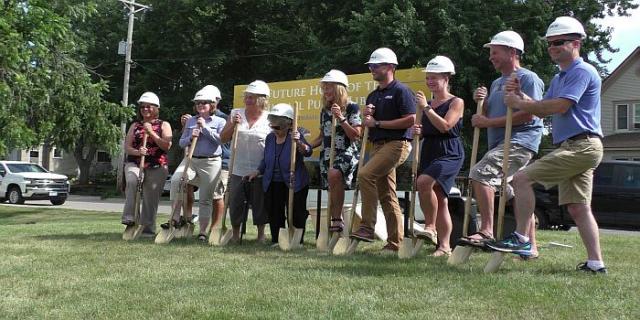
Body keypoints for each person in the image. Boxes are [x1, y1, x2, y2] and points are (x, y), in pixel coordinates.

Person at [488, 17, 606, 273]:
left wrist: (519, 103)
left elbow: (560, 106)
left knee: (520, 179)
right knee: (578, 207)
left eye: (559, 42)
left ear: (576, 43)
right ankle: (596, 264)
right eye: (550, 44)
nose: (552, 47)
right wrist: (519, 95)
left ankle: (521, 239)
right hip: (573, 146)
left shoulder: (581, 72)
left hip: (582, 145)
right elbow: (540, 109)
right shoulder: (560, 77)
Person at [459, 31, 544, 258]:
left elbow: (529, 114)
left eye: (495, 52)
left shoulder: (527, 78)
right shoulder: (497, 82)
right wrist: (482, 103)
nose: (491, 58)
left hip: (520, 141)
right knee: (516, 192)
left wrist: (486, 121)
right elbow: (490, 113)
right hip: (500, 142)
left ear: (512, 52)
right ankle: (530, 247)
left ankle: (486, 230)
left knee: (480, 173)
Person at [350, 47, 415, 252]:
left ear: (390, 67)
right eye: (371, 65)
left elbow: (411, 119)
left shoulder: (401, 91)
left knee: (365, 174)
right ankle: (395, 243)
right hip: (378, 145)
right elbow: (368, 124)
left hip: (397, 143)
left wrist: (377, 124)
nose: (372, 69)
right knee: (387, 194)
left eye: (376, 65)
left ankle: (367, 227)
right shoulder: (372, 95)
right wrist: (367, 117)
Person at [412, 56, 465, 257]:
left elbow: (445, 126)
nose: (430, 82)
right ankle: (444, 247)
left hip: (449, 152)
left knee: (423, 182)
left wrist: (426, 108)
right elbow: (428, 130)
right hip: (430, 150)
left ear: (446, 78)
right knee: (441, 199)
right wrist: (418, 131)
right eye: (428, 78)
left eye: (434, 78)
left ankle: (430, 226)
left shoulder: (456, 102)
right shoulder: (427, 104)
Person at [247, 103, 312, 245]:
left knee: (296, 212)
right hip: (273, 181)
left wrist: (299, 142)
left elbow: (308, 151)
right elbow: (266, 159)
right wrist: (257, 171)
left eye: (278, 127)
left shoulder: (296, 136)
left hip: (294, 181)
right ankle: (277, 240)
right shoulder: (270, 138)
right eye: (272, 126)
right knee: (274, 211)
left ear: (288, 125)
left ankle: (297, 241)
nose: (275, 129)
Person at [169, 85, 229, 232]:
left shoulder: (220, 121)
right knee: (177, 181)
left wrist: (205, 129)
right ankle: (175, 218)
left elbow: (221, 141)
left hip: (211, 161)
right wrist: (191, 137)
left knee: (205, 198)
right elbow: (182, 142)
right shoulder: (191, 121)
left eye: (204, 102)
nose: (200, 105)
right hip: (191, 159)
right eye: (198, 103)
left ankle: (203, 231)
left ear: (212, 105)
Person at [308, 70, 362, 232]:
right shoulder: (325, 110)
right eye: (324, 88)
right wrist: (307, 146)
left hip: (346, 152)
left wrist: (341, 118)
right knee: (331, 186)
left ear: (339, 88)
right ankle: (335, 224)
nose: (325, 91)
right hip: (327, 154)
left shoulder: (352, 107)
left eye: (329, 87)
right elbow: (322, 135)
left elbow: (356, 135)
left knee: (334, 173)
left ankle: (337, 219)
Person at [220, 80, 271, 243]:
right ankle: (235, 234)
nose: (247, 100)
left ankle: (261, 235)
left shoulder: (269, 118)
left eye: (252, 97)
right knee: (235, 202)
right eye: (247, 97)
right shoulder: (236, 113)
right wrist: (232, 125)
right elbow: (223, 138)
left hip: (260, 168)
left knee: (260, 203)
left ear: (262, 100)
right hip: (237, 167)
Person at [122, 92, 172, 237]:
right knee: (132, 180)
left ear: (156, 108)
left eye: (148, 106)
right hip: (135, 163)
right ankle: (130, 219)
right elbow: (127, 147)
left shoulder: (164, 125)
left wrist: (152, 133)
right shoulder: (135, 125)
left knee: (151, 198)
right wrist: (139, 152)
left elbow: (166, 146)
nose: (145, 109)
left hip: (157, 165)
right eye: (142, 107)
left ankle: (147, 229)